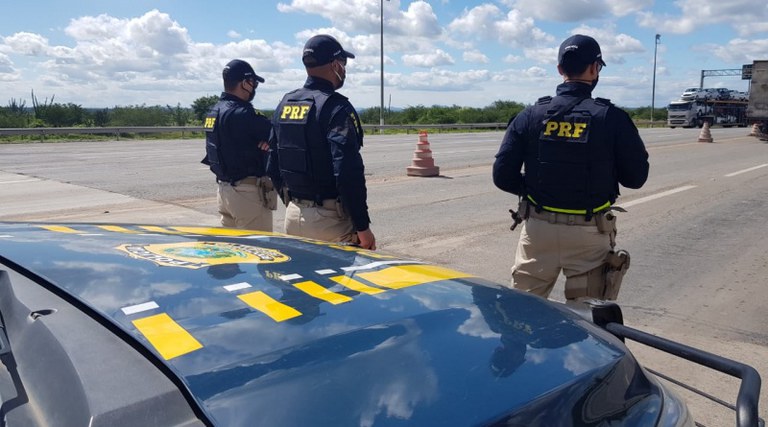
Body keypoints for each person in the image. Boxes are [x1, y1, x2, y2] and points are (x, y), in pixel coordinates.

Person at [492, 34, 649, 301]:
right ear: (594, 68)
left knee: (522, 315)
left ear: (560, 70)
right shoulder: (612, 118)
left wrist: (534, 188)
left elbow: (502, 175)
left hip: (538, 231)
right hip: (590, 235)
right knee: (587, 323)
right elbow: (635, 178)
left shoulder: (530, 115)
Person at [268, 34, 376, 250]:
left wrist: (294, 204)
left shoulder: (286, 103)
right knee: (338, 283)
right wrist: (363, 228)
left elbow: (272, 163)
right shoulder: (336, 108)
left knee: (302, 283)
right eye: (343, 64)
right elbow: (347, 172)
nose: (344, 70)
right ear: (336, 64)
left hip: (293, 216)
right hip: (329, 223)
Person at [202, 59, 277, 231]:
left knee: (232, 251)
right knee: (261, 251)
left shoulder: (214, 111)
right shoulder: (243, 113)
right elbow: (277, 133)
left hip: (224, 191)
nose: (254, 87)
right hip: (247, 194)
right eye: (253, 83)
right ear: (245, 83)